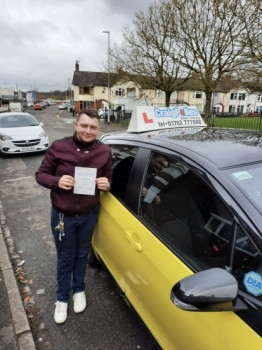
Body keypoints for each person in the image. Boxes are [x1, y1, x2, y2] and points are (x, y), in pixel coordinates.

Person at [35, 108, 112, 324]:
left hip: (89, 214)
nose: (88, 130)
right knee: (65, 257)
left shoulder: (104, 152)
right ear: (76, 125)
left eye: (93, 127)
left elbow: (108, 178)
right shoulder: (59, 147)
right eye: (84, 125)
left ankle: (79, 290)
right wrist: (57, 182)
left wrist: (107, 184)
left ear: (98, 129)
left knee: (81, 254)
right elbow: (40, 175)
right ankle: (61, 298)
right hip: (63, 216)